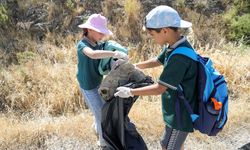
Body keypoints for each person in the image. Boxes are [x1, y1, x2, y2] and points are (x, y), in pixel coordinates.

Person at [114, 5, 198, 150]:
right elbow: (157, 61)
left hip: (181, 114)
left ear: (165, 30)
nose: (152, 38)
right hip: (175, 110)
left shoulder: (179, 57)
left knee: (168, 146)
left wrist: (130, 92)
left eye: (152, 34)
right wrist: (133, 66)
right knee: (169, 144)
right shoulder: (175, 45)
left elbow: (159, 88)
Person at [76, 13, 128, 147]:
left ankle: (96, 128)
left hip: (98, 83)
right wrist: (114, 53)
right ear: (89, 30)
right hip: (88, 86)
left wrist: (117, 59)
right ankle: (104, 143)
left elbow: (106, 58)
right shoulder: (82, 45)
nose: (103, 36)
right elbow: (93, 55)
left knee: (102, 109)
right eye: (100, 32)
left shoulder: (99, 44)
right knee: (101, 115)